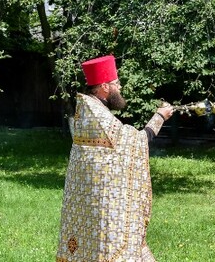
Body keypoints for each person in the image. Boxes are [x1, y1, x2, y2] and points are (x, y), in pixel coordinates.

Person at [56, 55, 174, 262]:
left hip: (90, 202)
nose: (120, 87)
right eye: (116, 83)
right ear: (104, 87)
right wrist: (160, 117)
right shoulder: (98, 116)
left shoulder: (88, 111)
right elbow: (137, 142)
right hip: (104, 207)